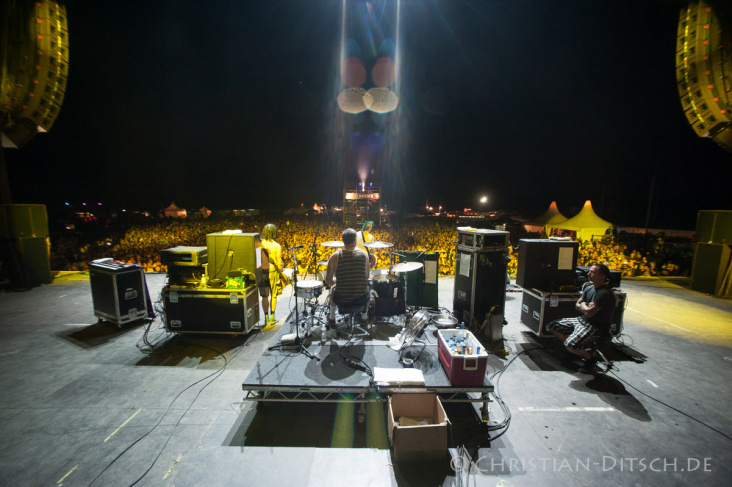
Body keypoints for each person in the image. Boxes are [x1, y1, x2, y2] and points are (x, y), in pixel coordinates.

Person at [546, 263, 618, 370]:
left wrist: (583, 306)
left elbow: (589, 313)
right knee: (552, 325)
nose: (588, 274)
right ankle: (575, 351)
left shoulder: (604, 293)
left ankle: (590, 359)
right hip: (582, 320)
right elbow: (577, 305)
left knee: (569, 344)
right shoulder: (589, 288)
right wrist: (585, 306)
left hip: (596, 326)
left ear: (602, 276)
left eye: (592, 272)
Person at [324, 228, 371, 325]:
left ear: (343, 241)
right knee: (368, 291)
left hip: (341, 298)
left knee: (332, 292)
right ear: (355, 240)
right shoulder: (364, 254)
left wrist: (334, 280)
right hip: (361, 298)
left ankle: (332, 319)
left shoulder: (335, 256)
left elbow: (327, 281)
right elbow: (367, 277)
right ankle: (364, 317)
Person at [259, 223, 285, 326]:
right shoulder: (276, 246)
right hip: (273, 271)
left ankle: (266, 318)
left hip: (262, 272)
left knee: (264, 296)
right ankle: (272, 317)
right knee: (273, 295)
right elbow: (279, 263)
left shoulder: (259, 244)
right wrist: (281, 271)